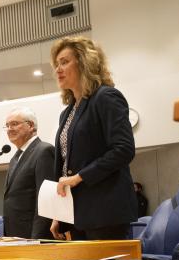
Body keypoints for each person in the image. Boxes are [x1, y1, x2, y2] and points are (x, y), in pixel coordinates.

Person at [50, 36, 137, 240]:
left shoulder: (106, 97)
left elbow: (123, 149)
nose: (58, 69)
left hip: (106, 211)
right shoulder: (68, 112)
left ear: (84, 62)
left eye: (64, 62)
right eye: (56, 64)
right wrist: (58, 213)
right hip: (77, 214)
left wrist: (79, 177)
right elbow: (65, 166)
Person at [1, 107, 55, 239]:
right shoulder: (15, 157)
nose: (9, 129)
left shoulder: (44, 151)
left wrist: (37, 238)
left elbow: (44, 200)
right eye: (7, 125)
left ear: (30, 125)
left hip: (32, 236)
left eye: (14, 124)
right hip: (14, 235)